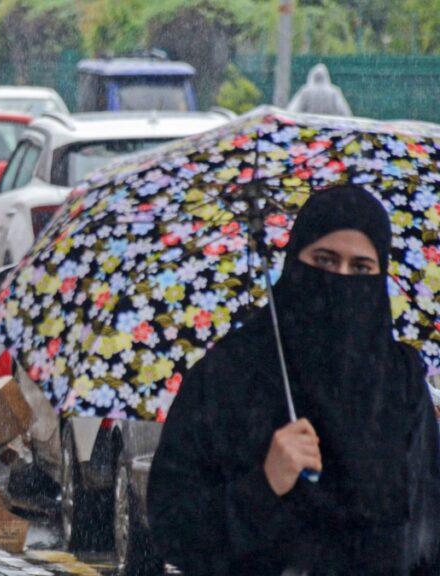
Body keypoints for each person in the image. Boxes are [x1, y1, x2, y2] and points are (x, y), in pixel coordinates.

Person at [147, 185, 440, 575]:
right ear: (294, 261)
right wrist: (263, 486)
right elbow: (173, 529)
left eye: (361, 268)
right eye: (324, 259)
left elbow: (428, 530)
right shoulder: (229, 374)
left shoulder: (401, 382)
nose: (340, 278)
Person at [287, 63, 353, 117]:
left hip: (308, 129)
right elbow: (345, 113)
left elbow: (292, 111)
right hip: (329, 128)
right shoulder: (334, 92)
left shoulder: (305, 91)